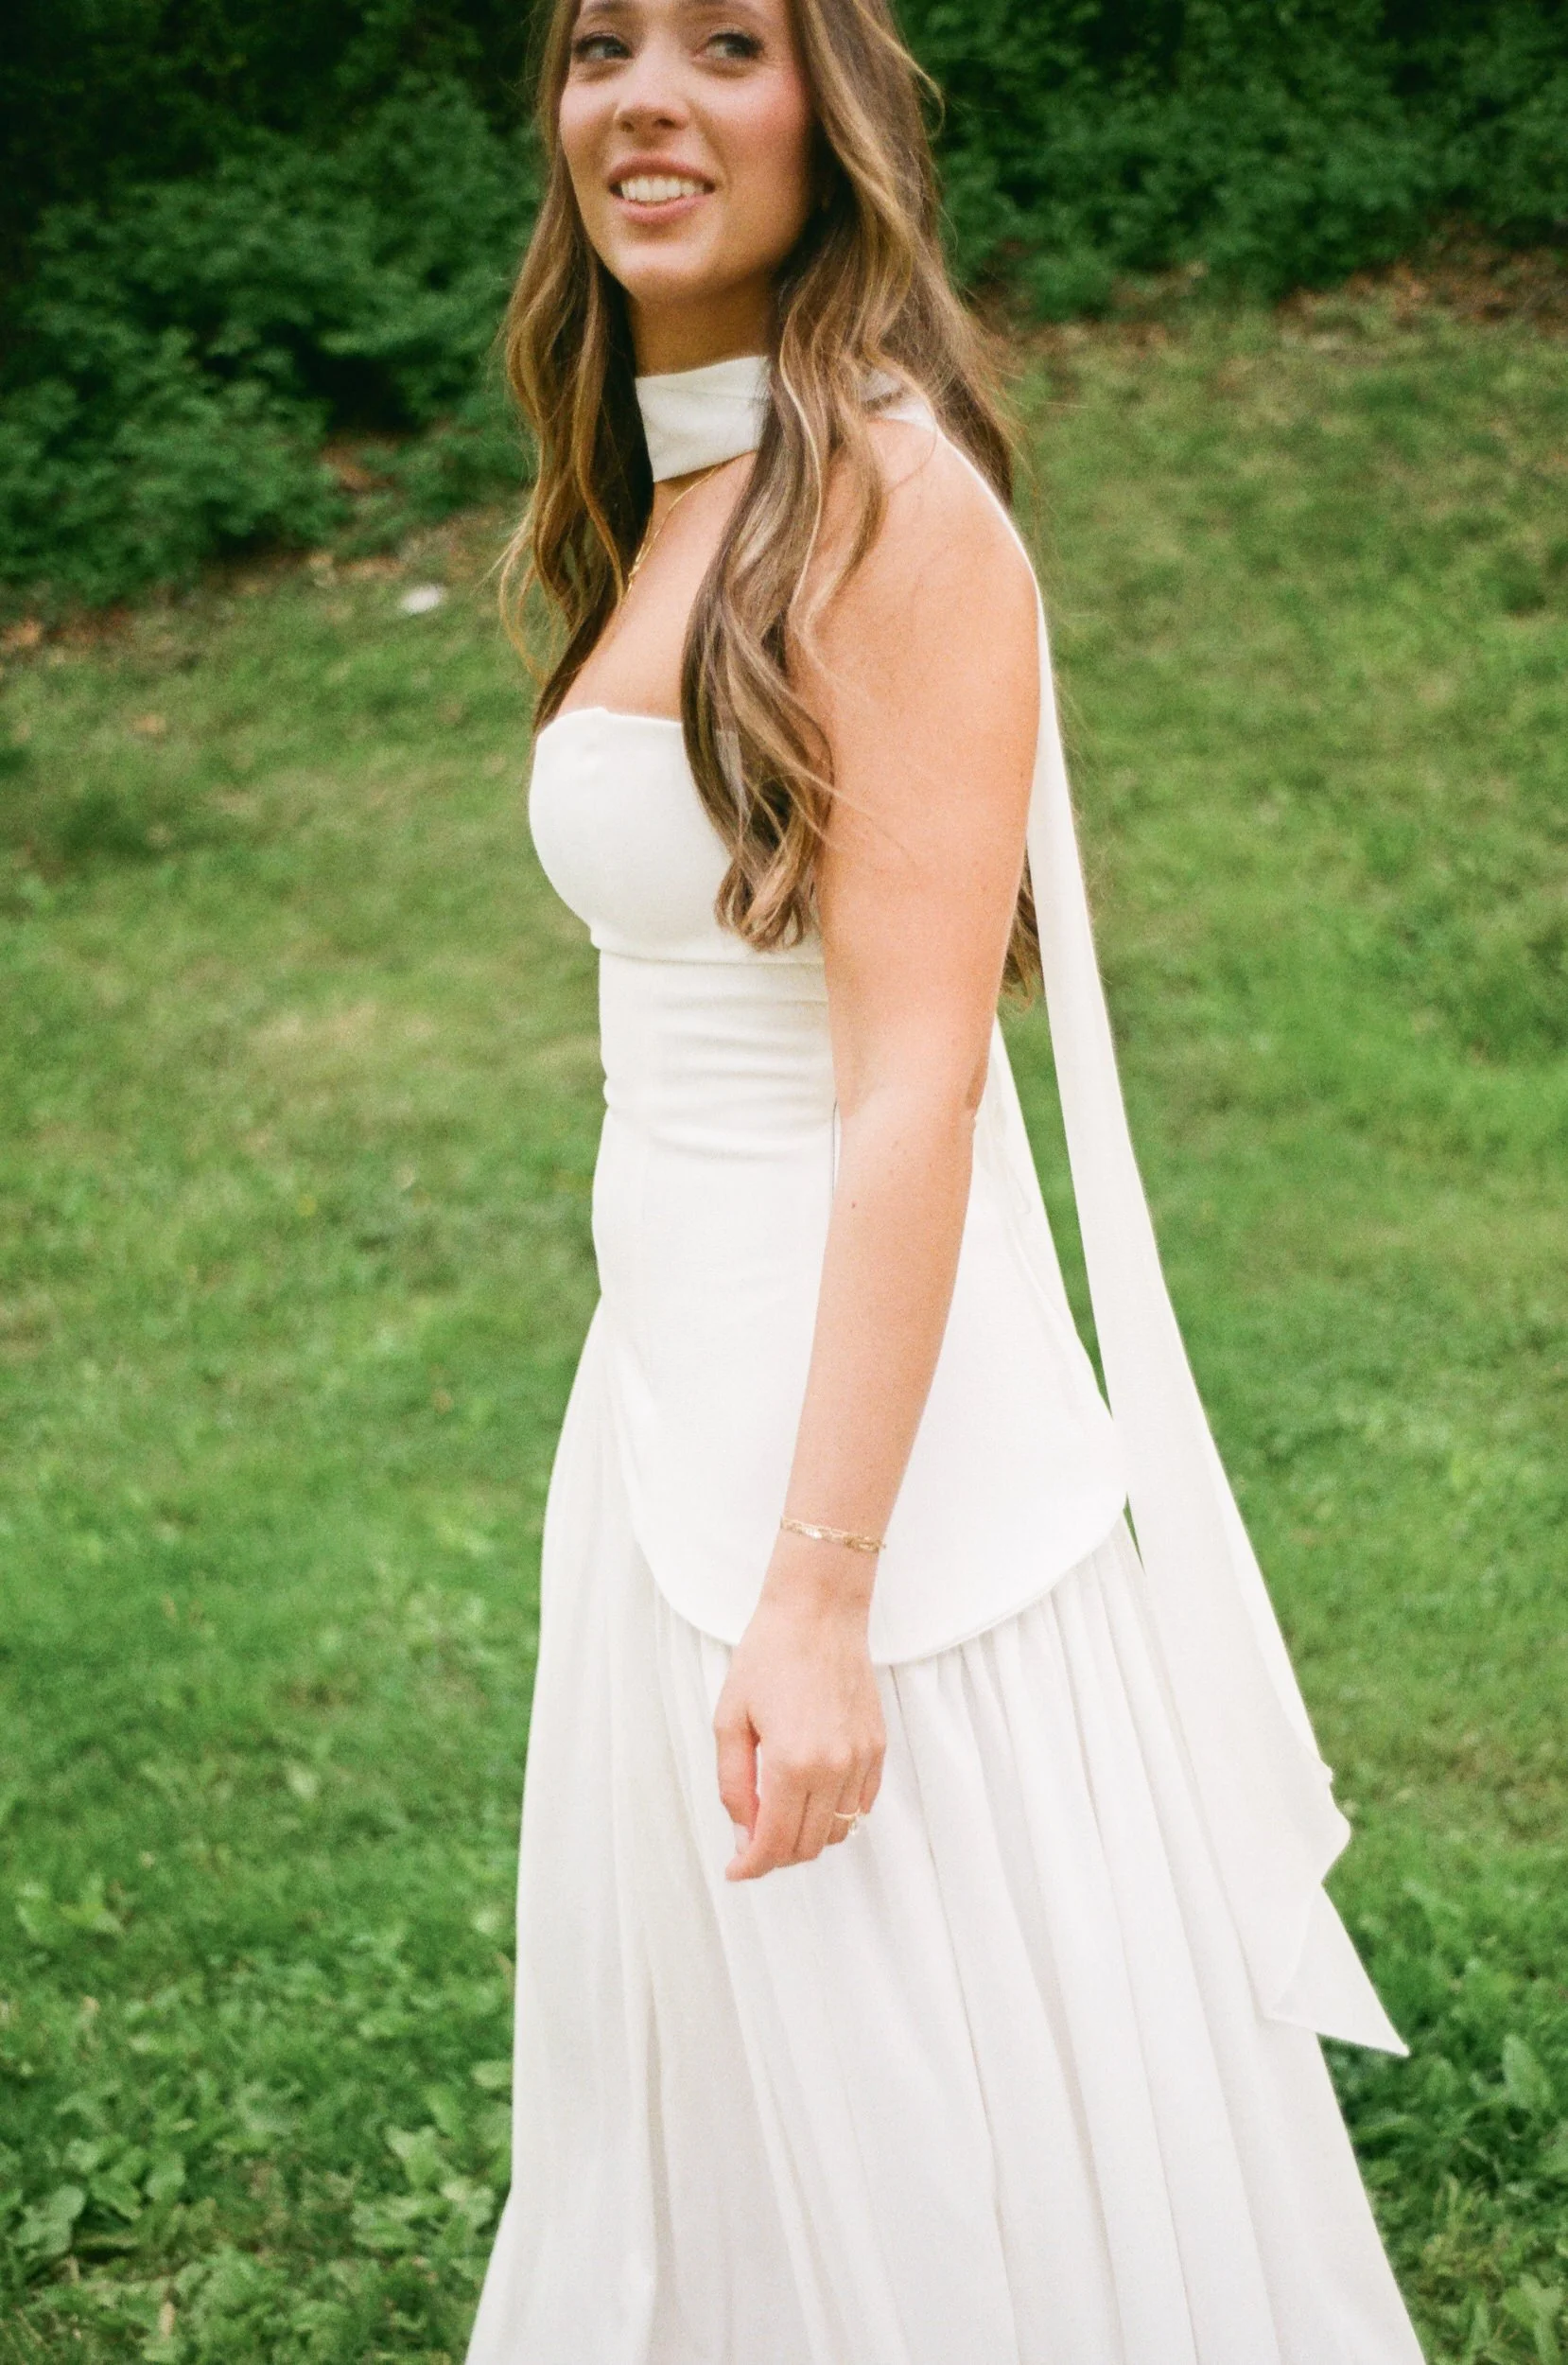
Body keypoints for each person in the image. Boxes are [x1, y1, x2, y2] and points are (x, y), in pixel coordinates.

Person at [466, 0, 1428, 2356]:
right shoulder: (671, 494)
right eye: (601, 46)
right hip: (672, 1405)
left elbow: (914, 1080)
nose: (645, 96)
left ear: (837, 120)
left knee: (928, 2100)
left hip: (872, 1485)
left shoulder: (892, 511)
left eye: (726, 42)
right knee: (717, 2111)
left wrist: (820, 1597)